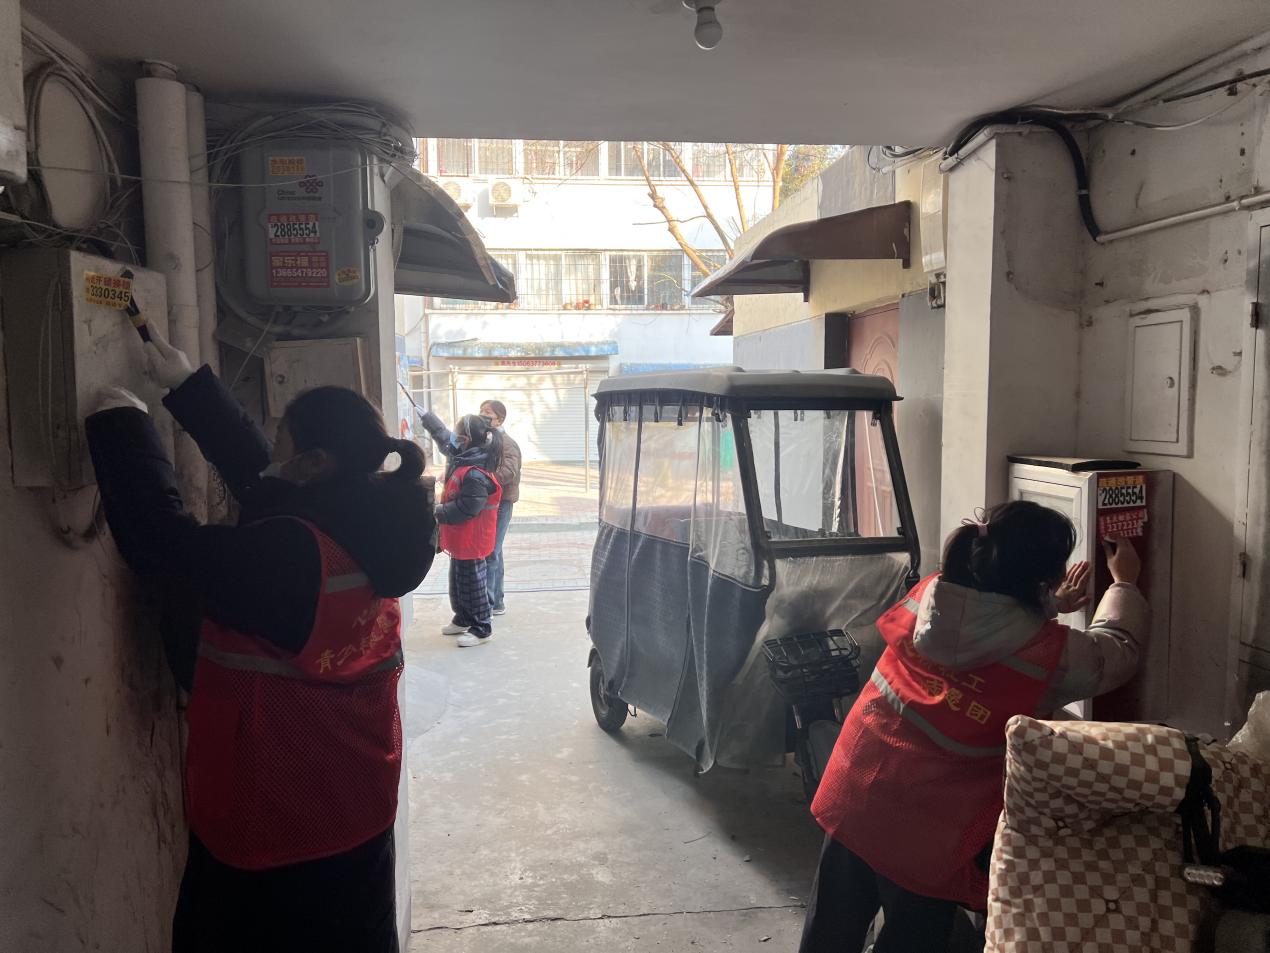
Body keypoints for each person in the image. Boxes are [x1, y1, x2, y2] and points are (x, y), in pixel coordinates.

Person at [84, 332, 435, 953]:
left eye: (283, 442)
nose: (272, 453)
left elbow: (162, 542)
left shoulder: (288, 556)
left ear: (315, 463)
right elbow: (267, 482)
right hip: (359, 811)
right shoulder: (374, 525)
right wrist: (190, 387)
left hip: (272, 830)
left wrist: (120, 425)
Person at [800, 500, 1146, 953]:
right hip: (930, 832)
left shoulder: (933, 595)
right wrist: (1125, 584)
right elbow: (1116, 653)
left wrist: (1050, 604)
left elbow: (989, 619)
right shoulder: (1054, 655)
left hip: (857, 789)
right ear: (1044, 577)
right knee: (911, 937)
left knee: (830, 928)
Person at [418, 409, 504, 647]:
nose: (452, 440)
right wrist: (427, 418)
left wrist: (435, 511)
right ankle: (463, 617)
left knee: (473, 584)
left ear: (465, 440)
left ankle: (481, 627)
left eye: (456, 436)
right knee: (458, 582)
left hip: (472, 540)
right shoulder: (463, 455)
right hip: (460, 539)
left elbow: (467, 508)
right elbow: (444, 437)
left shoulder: (475, 473)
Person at [479, 399, 521, 616]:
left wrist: (482, 479)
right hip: (487, 501)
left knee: (491, 551)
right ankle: (497, 602)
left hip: (502, 502)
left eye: (487, 412)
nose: (482, 415)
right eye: (481, 411)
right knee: (495, 550)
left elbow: (509, 472)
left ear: (500, 419)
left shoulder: (507, 443)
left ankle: (488, 604)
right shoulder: (485, 440)